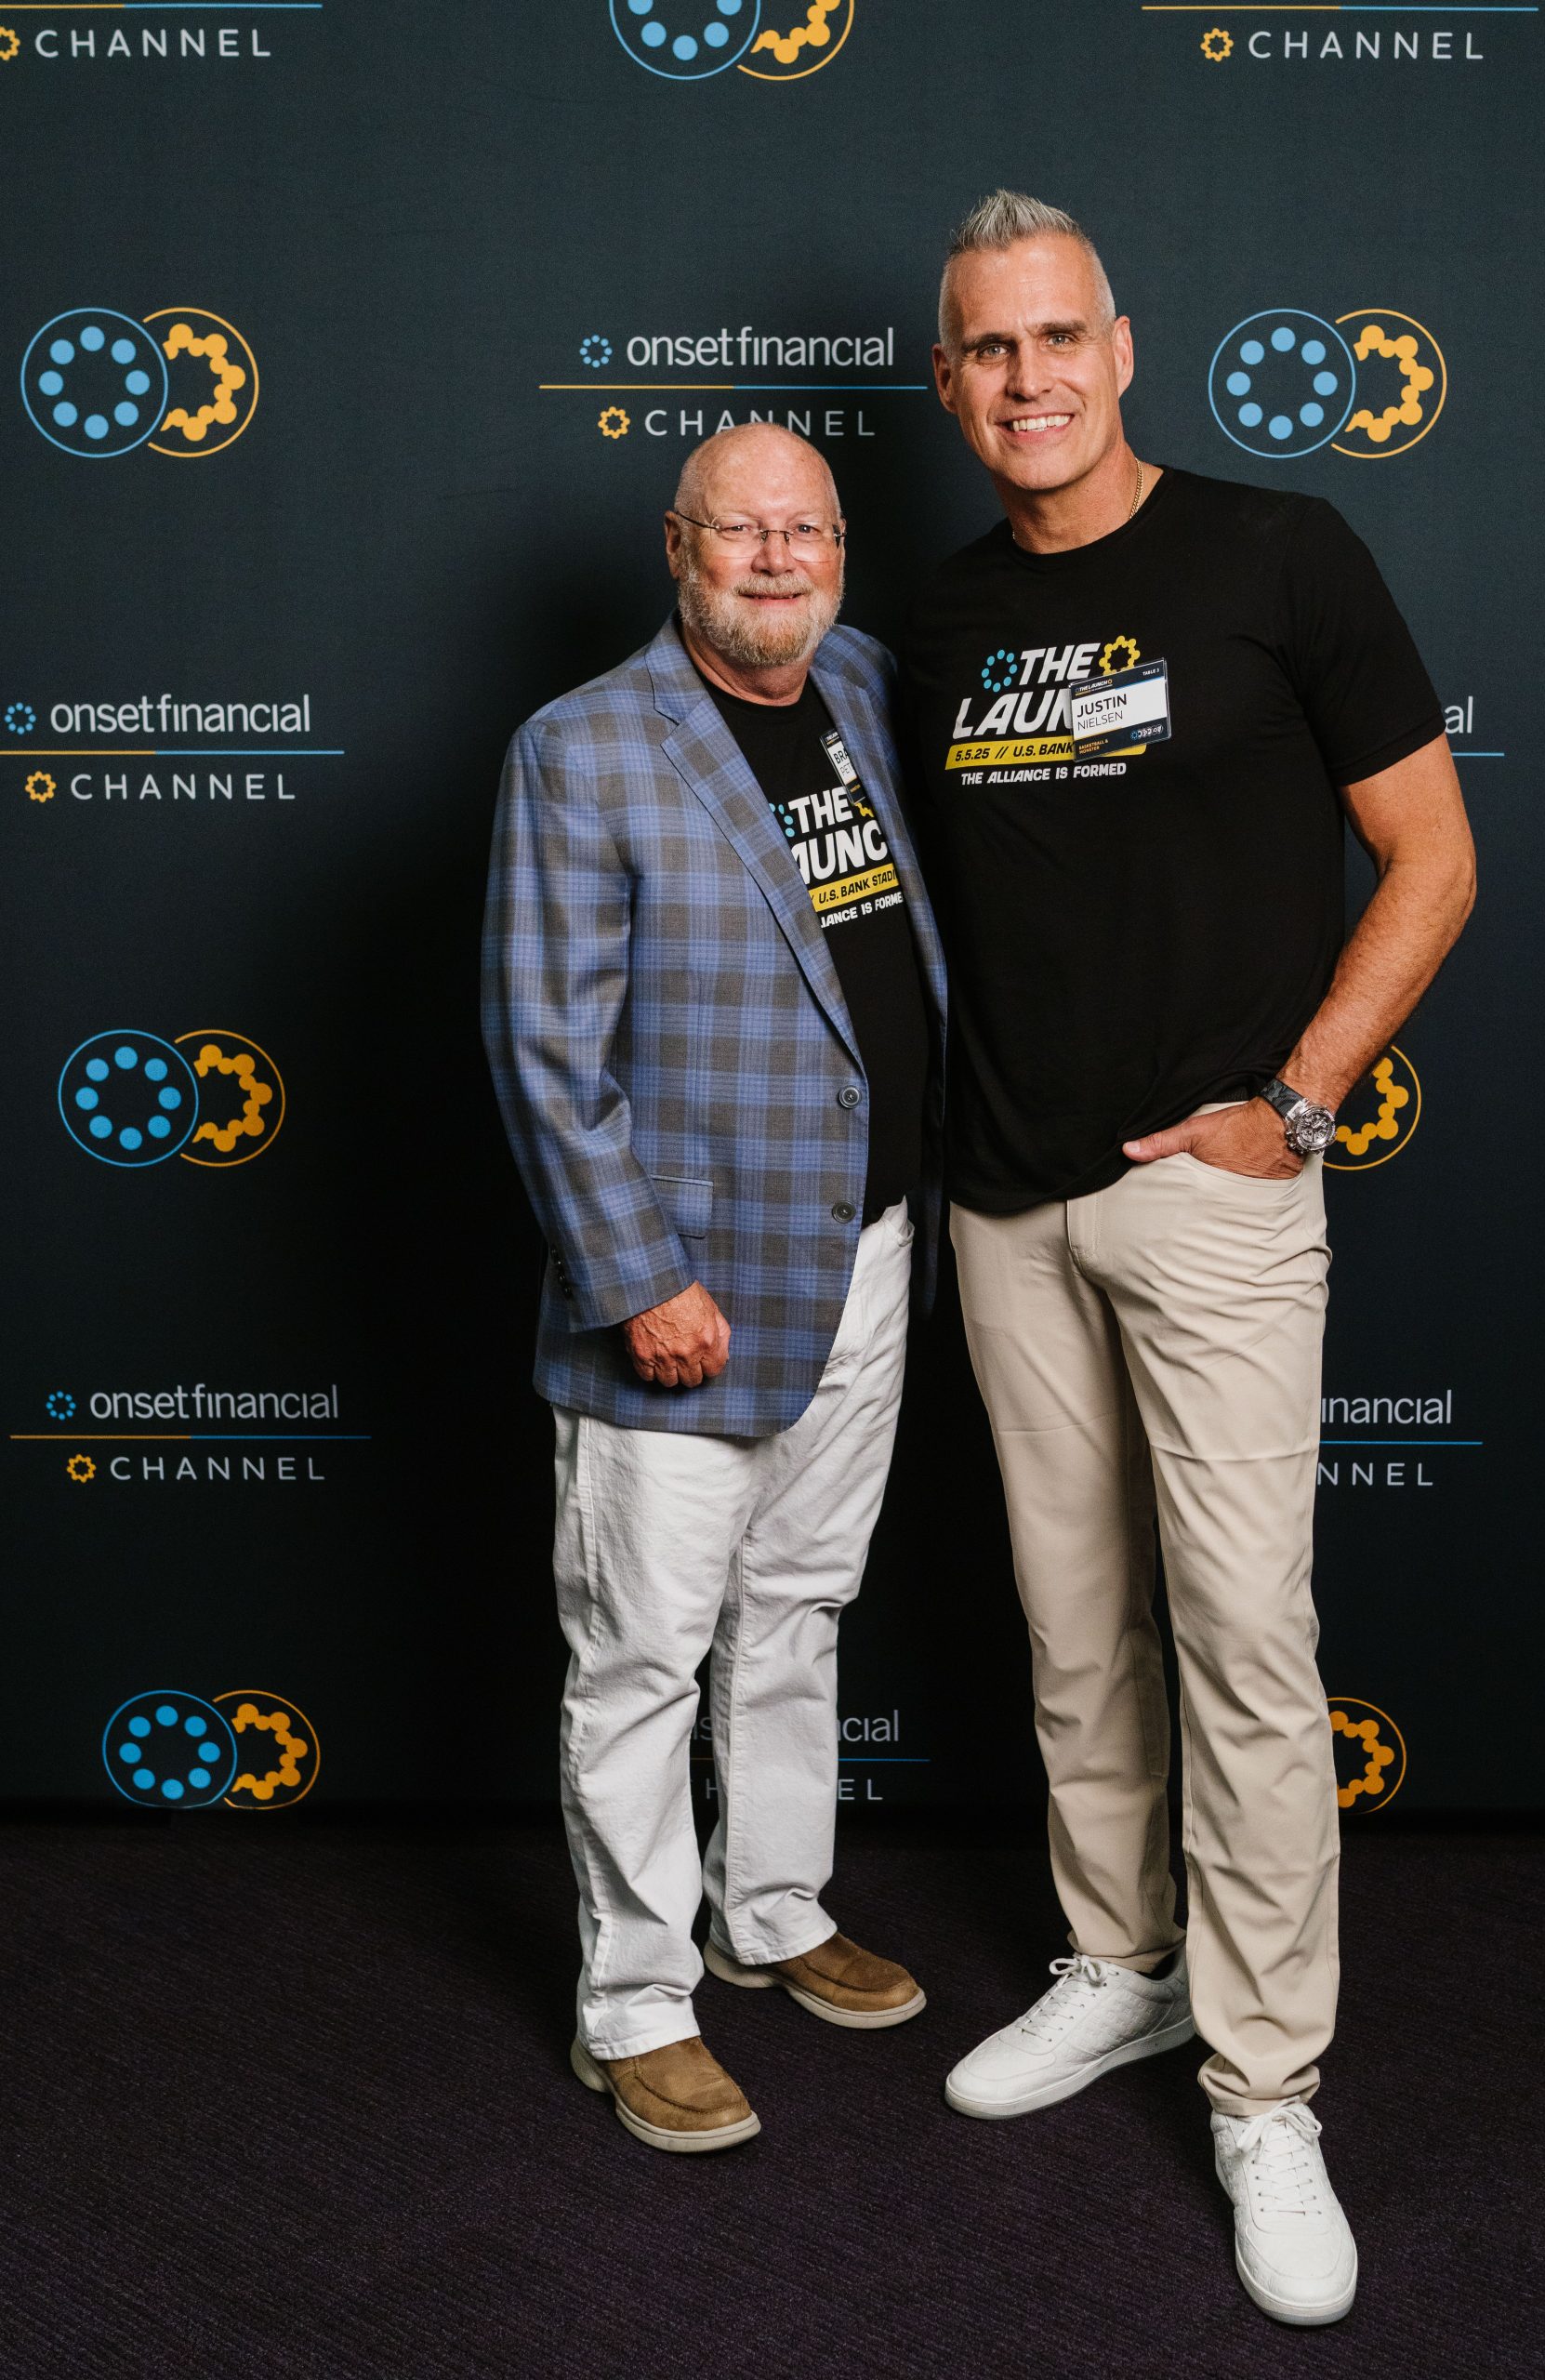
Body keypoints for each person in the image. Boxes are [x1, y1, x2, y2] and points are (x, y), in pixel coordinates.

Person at [902, 193, 1475, 2321]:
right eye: (986, 348)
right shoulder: (935, 620)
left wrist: (1297, 1102)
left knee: (1240, 1634)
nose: (1027, 377)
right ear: (946, 381)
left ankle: (1263, 2083)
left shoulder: (1278, 554)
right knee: (1075, 1632)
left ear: (1122, 348)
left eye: (1059, 336)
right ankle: (1125, 1968)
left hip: (1211, 1186)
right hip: (1003, 1203)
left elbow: (1433, 852)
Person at [482, 422, 945, 2155]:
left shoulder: (874, 692)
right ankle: (634, 2002)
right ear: (678, 546)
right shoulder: (586, 747)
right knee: (643, 1655)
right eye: (741, 531)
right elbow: (543, 1045)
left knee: (801, 1607)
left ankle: (770, 1911)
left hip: (870, 1252)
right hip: (687, 1297)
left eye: (806, 529)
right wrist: (634, 1278)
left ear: (841, 547)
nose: (777, 559)